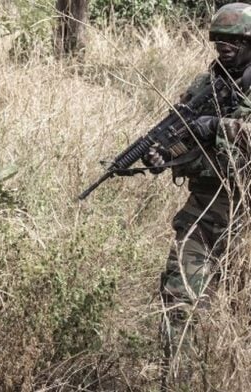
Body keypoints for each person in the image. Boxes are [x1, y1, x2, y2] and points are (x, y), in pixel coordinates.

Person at [143, 2, 251, 385]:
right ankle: (177, 381)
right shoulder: (206, 85)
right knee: (179, 297)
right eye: (219, 39)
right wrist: (164, 156)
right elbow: (185, 136)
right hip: (205, 211)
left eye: (235, 40)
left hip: (245, 215)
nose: (225, 46)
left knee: (241, 312)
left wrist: (214, 125)